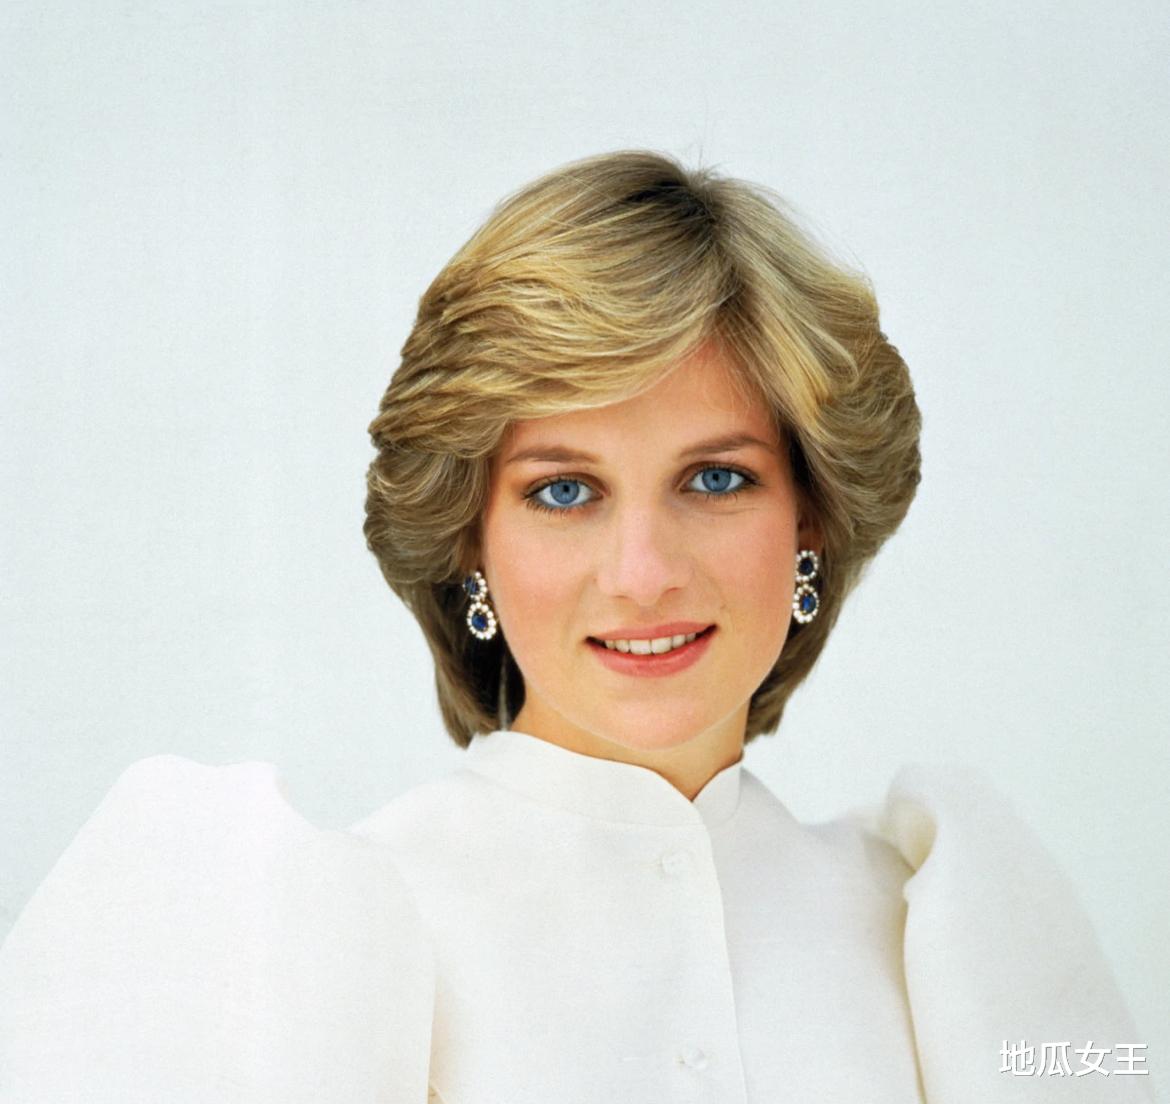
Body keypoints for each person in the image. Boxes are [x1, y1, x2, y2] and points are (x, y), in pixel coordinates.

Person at [0, 151, 1152, 1103]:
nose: (642, 575)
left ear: (811, 518)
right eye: (563, 490)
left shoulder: (941, 925)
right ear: (469, 539)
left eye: (715, 479)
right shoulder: (306, 935)